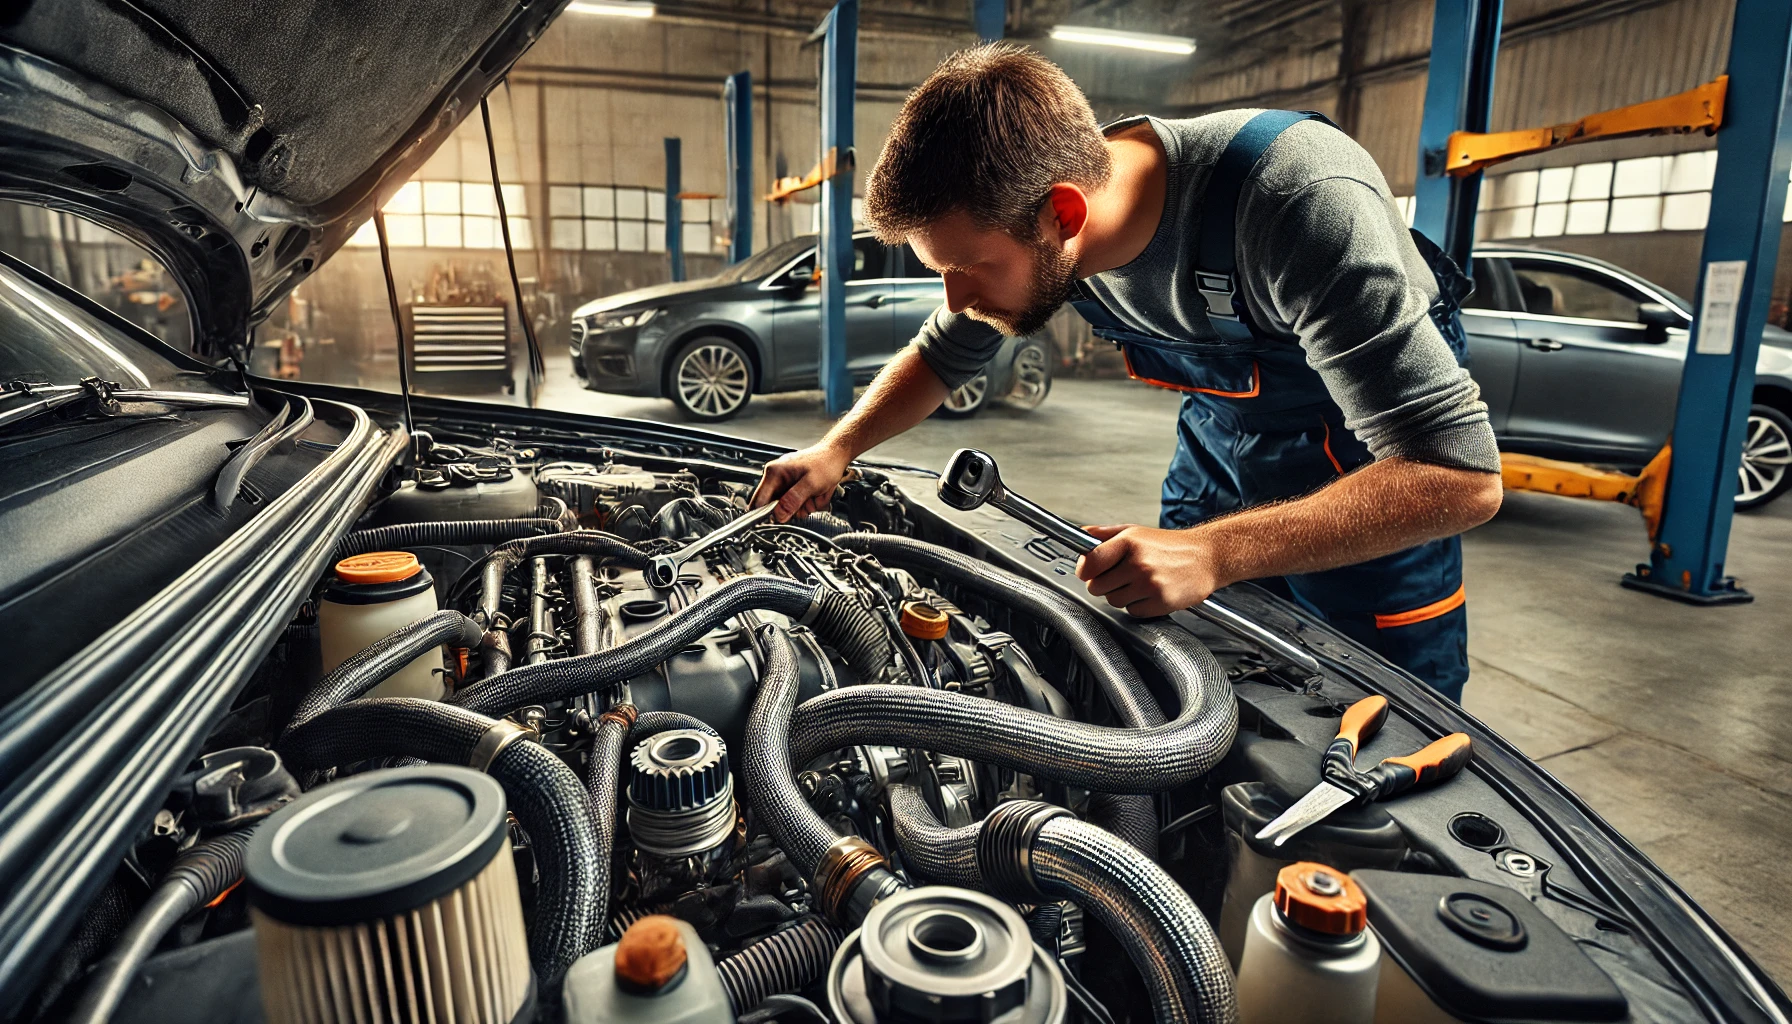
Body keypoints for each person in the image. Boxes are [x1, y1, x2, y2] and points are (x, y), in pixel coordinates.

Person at [750, 44, 1502, 701]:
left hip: (1377, 482)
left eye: (971, 268)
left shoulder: (1296, 201)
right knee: (1200, 686)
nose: (956, 299)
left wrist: (1216, 551)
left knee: (1378, 740)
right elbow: (945, 353)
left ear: (1064, 216)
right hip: (1218, 449)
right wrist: (837, 450)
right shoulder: (1045, 213)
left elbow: (1459, 476)